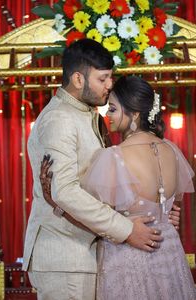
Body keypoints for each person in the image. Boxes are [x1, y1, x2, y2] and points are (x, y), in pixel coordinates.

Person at [23, 39, 165, 300]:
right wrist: (126, 229)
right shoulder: (60, 120)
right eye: (103, 79)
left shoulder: (86, 116)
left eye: (110, 77)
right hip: (64, 258)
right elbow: (65, 192)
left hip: (82, 253)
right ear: (78, 79)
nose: (110, 85)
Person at [40, 75, 195, 300]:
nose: (107, 115)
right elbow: (170, 210)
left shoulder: (114, 157)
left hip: (129, 259)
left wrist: (54, 200)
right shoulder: (172, 150)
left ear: (135, 114)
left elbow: (93, 219)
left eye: (112, 109)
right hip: (169, 255)